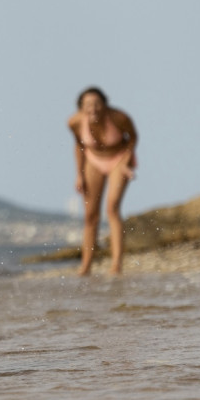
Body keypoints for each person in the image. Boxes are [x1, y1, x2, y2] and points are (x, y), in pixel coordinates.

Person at [68, 86, 138, 276]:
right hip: (94, 160)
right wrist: (79, 174)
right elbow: (79, 146)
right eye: (88, 105)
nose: (93, 108)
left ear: (105, 105)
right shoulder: (74, 122)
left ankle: (116, 265)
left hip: (119, 158)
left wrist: (126, 162)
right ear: (81, 108)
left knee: (112, 208)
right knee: (91, 216)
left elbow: (132, 138)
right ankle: (85, 267)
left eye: (97, 104)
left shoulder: (119, 118)